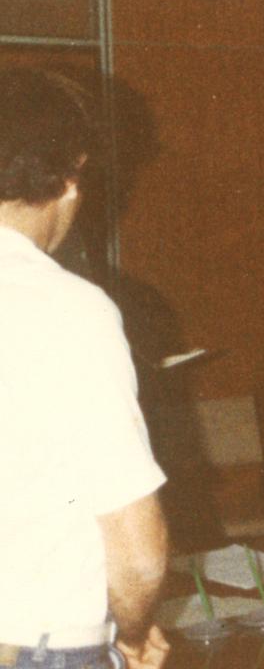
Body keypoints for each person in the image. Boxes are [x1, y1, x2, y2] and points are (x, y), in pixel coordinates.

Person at [0, 69, 170, 669]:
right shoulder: (70, 309)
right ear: (71, 177)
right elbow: (137, 550)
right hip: (38, 643)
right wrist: (134, 632)